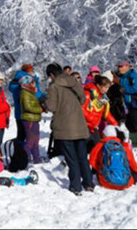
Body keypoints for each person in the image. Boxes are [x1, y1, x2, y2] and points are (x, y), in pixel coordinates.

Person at [46, 63, 94, 195]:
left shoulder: (53, 86)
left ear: (51, 75)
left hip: (64, 126)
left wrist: (44, 100)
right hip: (79, 124)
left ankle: (75, 186)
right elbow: (83, 100)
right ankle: (89, 183)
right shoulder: (74, 81)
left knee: (72, 158)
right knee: (83, 157)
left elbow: (52, 106)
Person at [88, 126, 137, 190]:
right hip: (125, 182)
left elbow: (92, 161)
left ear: (104, 134)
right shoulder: (122, 145)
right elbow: (131, 162)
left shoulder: (99, 145)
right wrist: (135, 173)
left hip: (105, 182)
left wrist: (102, 168)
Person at [116, 61, 137, 147]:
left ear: (127, 66)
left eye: (121, 66)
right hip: (126, 105)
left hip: (135, 104)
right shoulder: (121, 77)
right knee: (130, 126)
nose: (119, 68)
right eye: (118, 66)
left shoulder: (133, 75)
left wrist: (125, 89)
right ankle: (134, 144)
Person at [83, 75, 117, 151]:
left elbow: (106, 113)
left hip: (94, 126)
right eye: (105, 87)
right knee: (85, 147)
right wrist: (90, 119)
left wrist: (114, 123)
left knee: (97, 147)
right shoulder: (88, 93)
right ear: (98, 85)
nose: (107, 90)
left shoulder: (103, 97)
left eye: (108, 87)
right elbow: (81, 109)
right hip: (85, 125)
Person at [18, 75, 43, 165]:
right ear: (27, 84)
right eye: (33, 82)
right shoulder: (25, 93)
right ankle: (25, 159)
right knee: (30, 141)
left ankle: (37, 160)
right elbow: (27, 107)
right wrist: (40, 109)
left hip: (34, 119)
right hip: (29, 120)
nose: (35, 84)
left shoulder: (31, 93)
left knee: (36, 141)